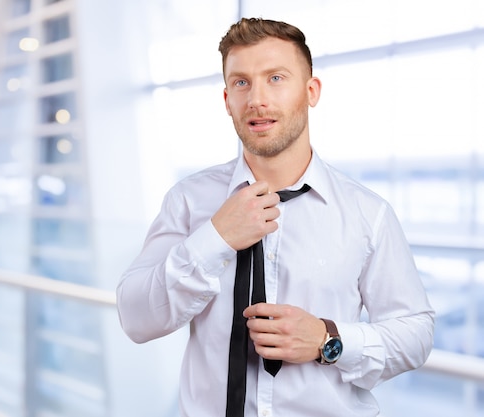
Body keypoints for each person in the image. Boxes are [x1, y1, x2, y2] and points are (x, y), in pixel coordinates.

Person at [116, 17, 434, 417]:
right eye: (241, 82)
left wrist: (327, 339)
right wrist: (215, 239)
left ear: (311, 91)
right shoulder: (188, 201)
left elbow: (416, 333)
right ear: (227, 99)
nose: (257, 99)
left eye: (276, 78)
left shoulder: (367, 215)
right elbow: (135, 318)